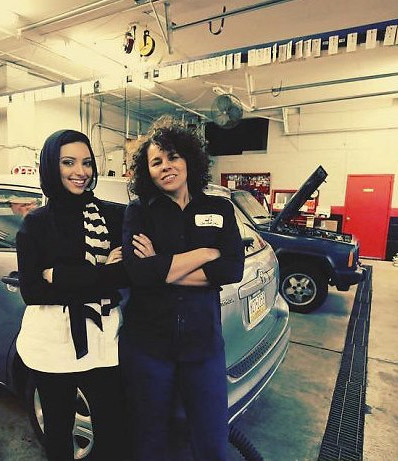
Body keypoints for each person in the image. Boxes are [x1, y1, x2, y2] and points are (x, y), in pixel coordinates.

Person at [120, 116, 244, 461]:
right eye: (156, 162)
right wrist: (205, 253)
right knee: (149, 440)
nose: (166, 166)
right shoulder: (139, 212)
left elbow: (231, 268)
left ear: (189, 160)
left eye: (173, 157)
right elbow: (138, 273)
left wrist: (161, 265)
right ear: (147, 172)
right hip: (148, 348)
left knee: (212, 441)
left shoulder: (219, 208)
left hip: (203, 346)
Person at [15, 129, 136, 461]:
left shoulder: (112, 215)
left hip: (103, 337)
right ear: (51, 166)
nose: (80, 172)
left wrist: (60, 275)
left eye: (86, 163)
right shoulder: (36, 224)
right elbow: (32, 292)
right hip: (51, 342)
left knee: (115, 429)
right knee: (57, 430)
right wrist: (101, 273)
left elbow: (125, 275)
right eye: (68, 162)